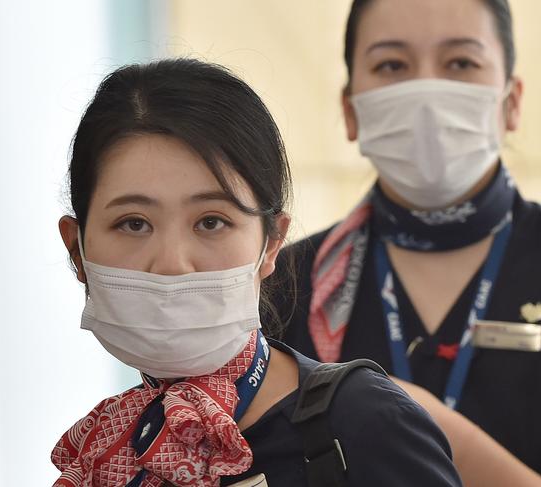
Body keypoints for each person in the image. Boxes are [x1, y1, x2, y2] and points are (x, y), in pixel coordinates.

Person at [52, 58, 461, 487]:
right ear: (77, 250)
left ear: (271, 244)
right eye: (133, 223)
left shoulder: (365, 425)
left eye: (211, 222)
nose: (172, 263)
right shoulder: (106, 449)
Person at [270, 1, 541, 486]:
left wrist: (437, 431)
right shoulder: (283, 284)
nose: (426, 93)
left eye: (460, 63)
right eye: (392, 65)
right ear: (351, 111)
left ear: (511, 102)